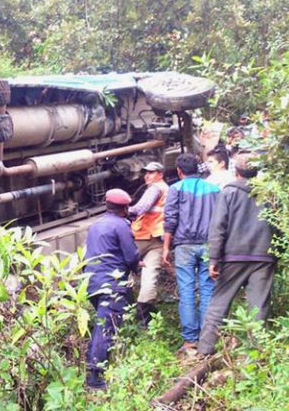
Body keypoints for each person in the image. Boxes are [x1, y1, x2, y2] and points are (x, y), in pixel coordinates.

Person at [197, 153, 278, 355]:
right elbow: (280, 227)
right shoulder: (269, 195)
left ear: (236, 171)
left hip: (233, 256)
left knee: (219, 303)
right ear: (257, 172)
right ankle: (256, 353)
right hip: (264, 256)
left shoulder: (229, 192)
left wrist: (214, 259)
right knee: (258, 306)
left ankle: (205, 349)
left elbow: (218, 227)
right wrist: (278, 253)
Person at [162, 153, 220, 353]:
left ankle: (189, 340)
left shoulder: (175, 189)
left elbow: (170, 219)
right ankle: (207, 339)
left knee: (186, 291)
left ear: (179, 171)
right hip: (208, 245)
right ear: (198, 168)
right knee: (207, 290)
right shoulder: (214, 189)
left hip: (184, 246)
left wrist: (165, 248)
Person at [84, 188, 140, 389]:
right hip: (111, 283)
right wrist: (136, 267)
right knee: (106, 328)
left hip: (92, 282)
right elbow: (131, 255)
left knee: (103, 324)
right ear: (125, 208)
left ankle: (95, 359)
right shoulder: (121, 226)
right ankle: (95, 378)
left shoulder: (95, 225)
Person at [128, 161, 168, 327]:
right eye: (146, 173)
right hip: (158, 238)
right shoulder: (168, 189)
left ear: (160, 174)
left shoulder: (155, 188)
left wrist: (124, 210)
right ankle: (144, 319)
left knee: (122, 268)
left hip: (142, 237)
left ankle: (127, 309)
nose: (147, 176)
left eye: (151, 173)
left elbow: (141, 207)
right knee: (150, 277)